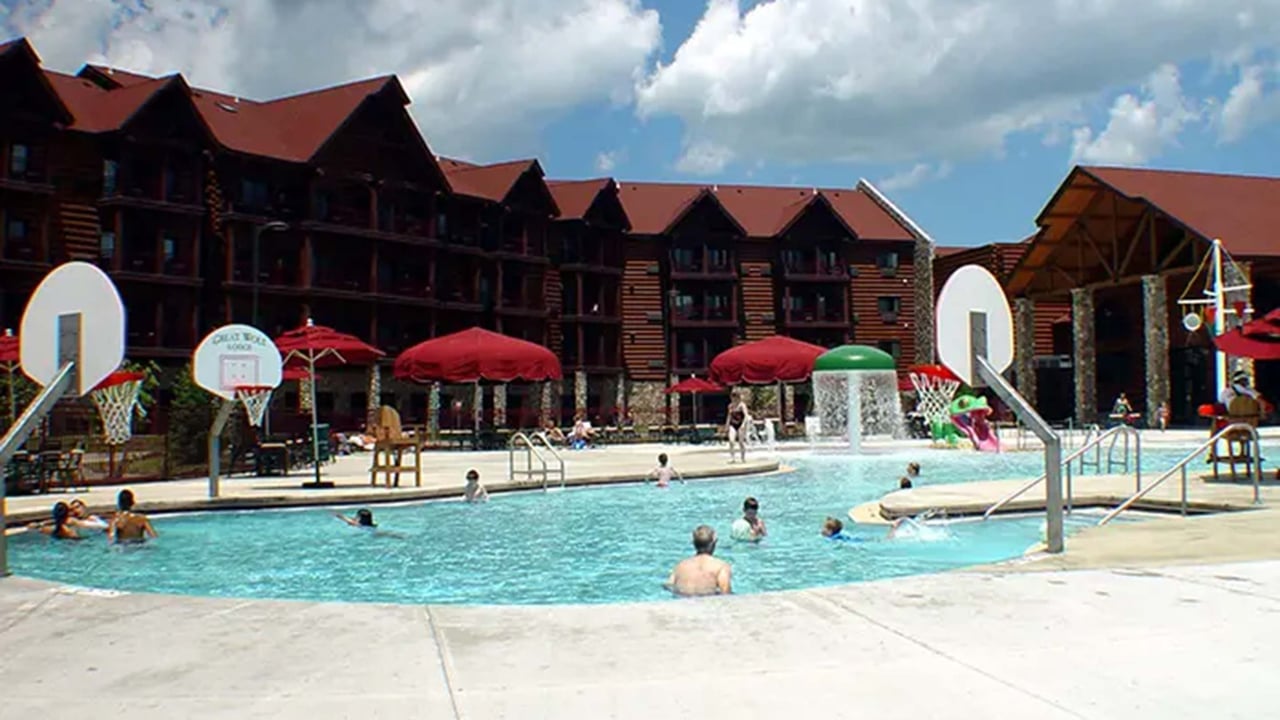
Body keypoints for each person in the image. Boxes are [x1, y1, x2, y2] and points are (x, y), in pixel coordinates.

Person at [663, 525, 732, 597]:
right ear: (714, 542)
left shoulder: (680, 566)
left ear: (694, 543)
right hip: (706, 601)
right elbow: (726, 594)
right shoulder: (720, 566)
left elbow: (667, 586)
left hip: (683, 601)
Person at [725, 395, 750, 464]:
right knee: (731, 441)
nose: (734, 399)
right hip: (733, 424)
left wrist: (743, 424)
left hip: (741, 424)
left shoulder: (742, 405)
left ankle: (743, 457)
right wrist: (727, 425)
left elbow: (746, 416)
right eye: (732, 398)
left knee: (741, 442)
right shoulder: (730, 406)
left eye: (735, 398)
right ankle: (732, 458)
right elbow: (729, 416)